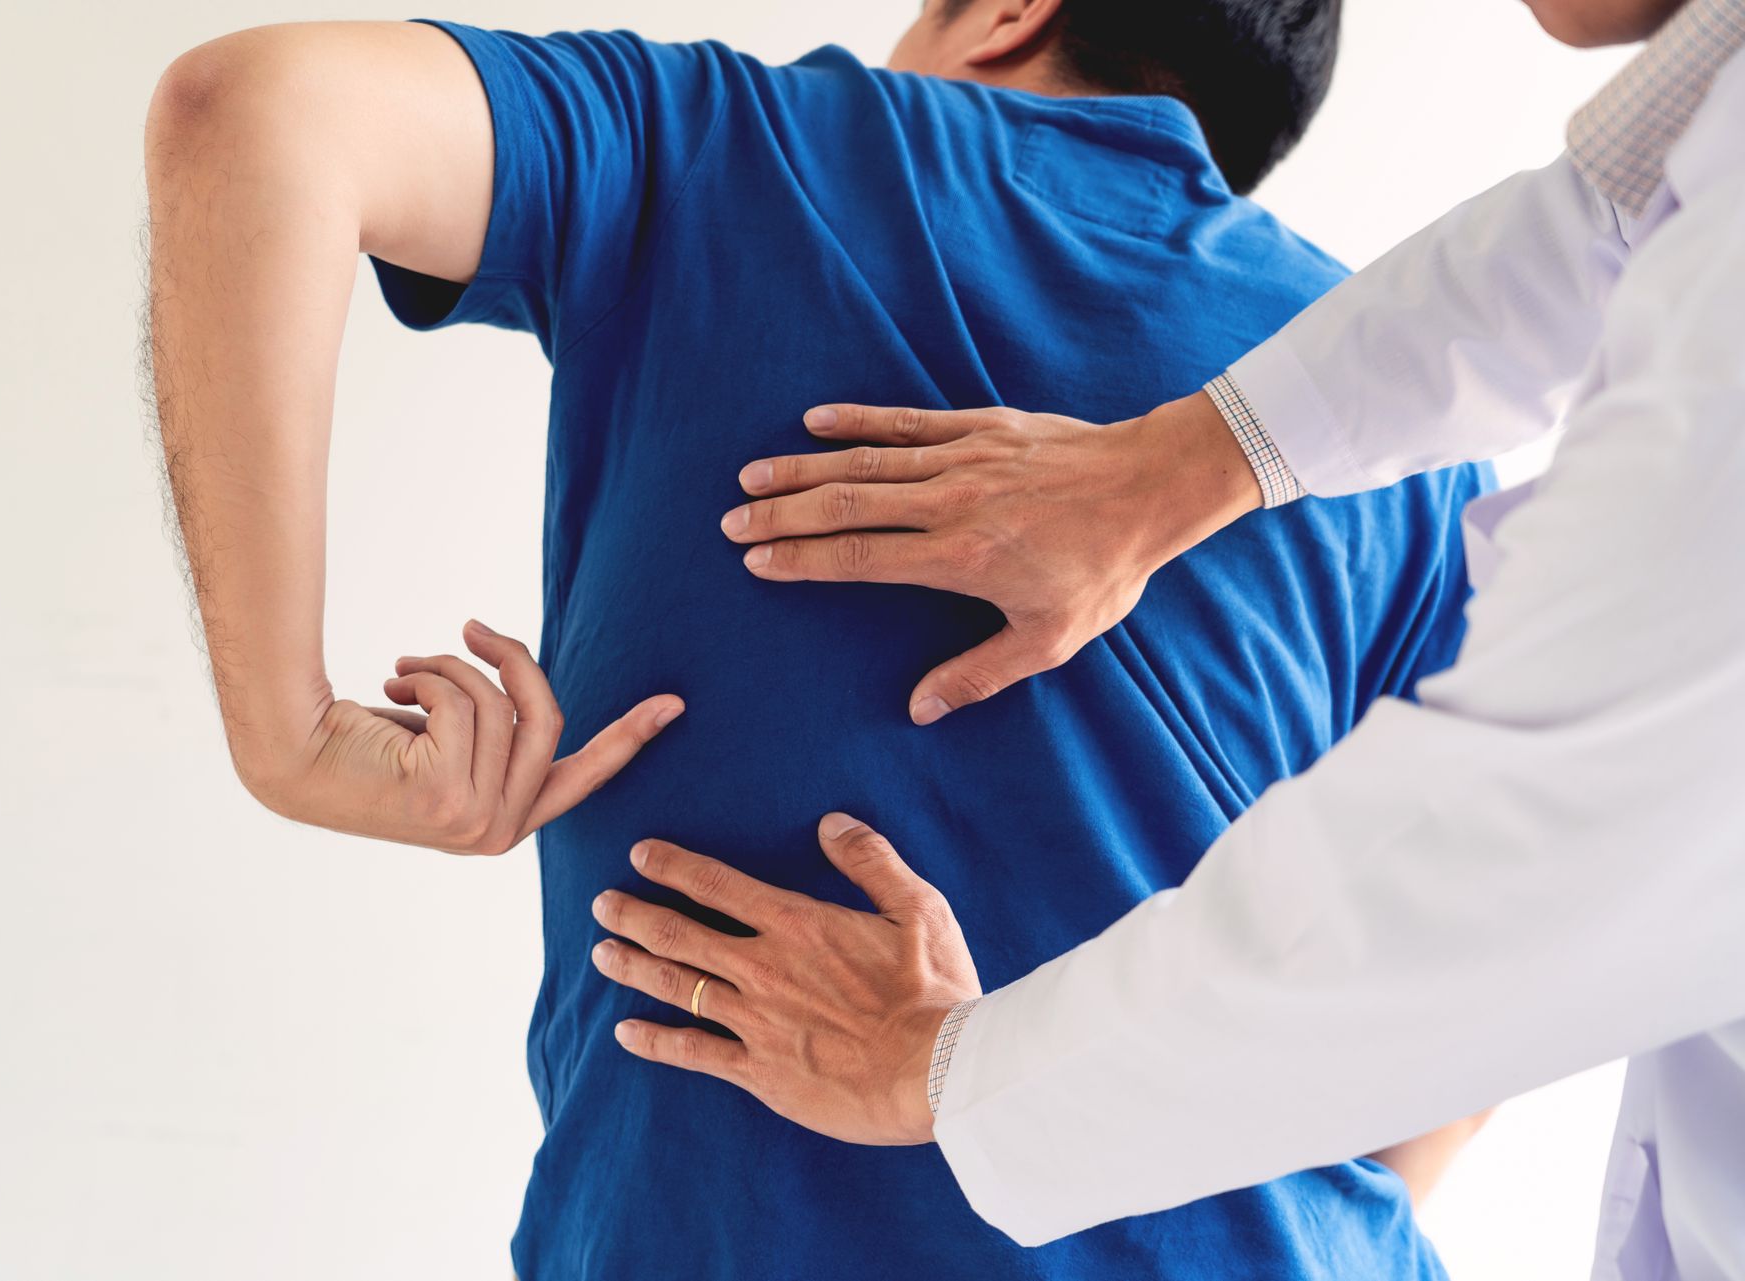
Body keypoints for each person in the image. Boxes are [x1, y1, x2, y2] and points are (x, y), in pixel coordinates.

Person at [143, 1, 1495, 1276]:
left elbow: (258, 109)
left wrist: (293, 736)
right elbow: (1473, 981)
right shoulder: (1392, 424)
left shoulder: (729, 151)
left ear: (1014, 5)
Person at [588, 0, 1745, 1274]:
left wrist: (943, 1076)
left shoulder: (744, 158)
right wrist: (1186, 461)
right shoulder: (1432, 471)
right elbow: (1598, 220)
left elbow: (1516, 858)